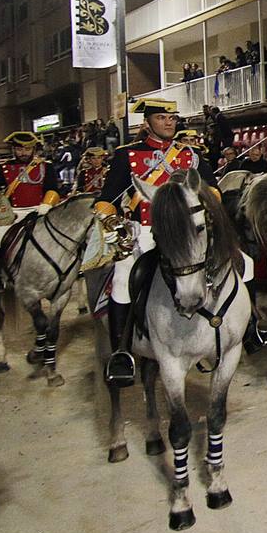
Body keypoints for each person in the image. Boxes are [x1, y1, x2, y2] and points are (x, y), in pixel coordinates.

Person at [95, 98, 218, 388]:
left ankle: (244, 330)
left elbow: (212, 188)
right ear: (147, 122)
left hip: (187, 231)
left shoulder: (192, 155)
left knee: (239, 263)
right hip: (146, 231)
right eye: (162, 117)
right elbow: (107, 198)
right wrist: (109, 218)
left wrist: (212, 201)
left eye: (172, 118)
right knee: (125, 278)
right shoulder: (127, 156)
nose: (169, 122)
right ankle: (122, 351)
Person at [0, 132, 61, 293]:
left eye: (27, 149)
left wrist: (46, 205)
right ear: (13, 149)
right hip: (13, 213)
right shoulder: (2, 168)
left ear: (34, 149)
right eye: (19, 149)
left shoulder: (46, 166)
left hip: (39, 210)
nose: (23, 152)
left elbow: (53, 188)